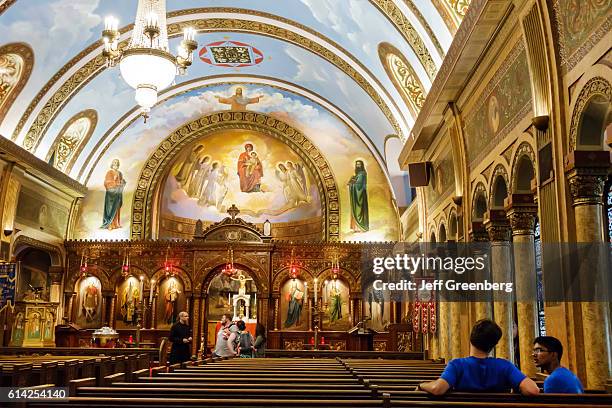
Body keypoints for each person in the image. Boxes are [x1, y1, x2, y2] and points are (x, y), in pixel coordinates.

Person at [418, 319, 539, 396]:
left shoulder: (457, 365)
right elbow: (532, 390)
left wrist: (421, 385)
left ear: (471, 338)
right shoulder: (505, 366)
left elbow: (437, 389)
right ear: (494, 345)